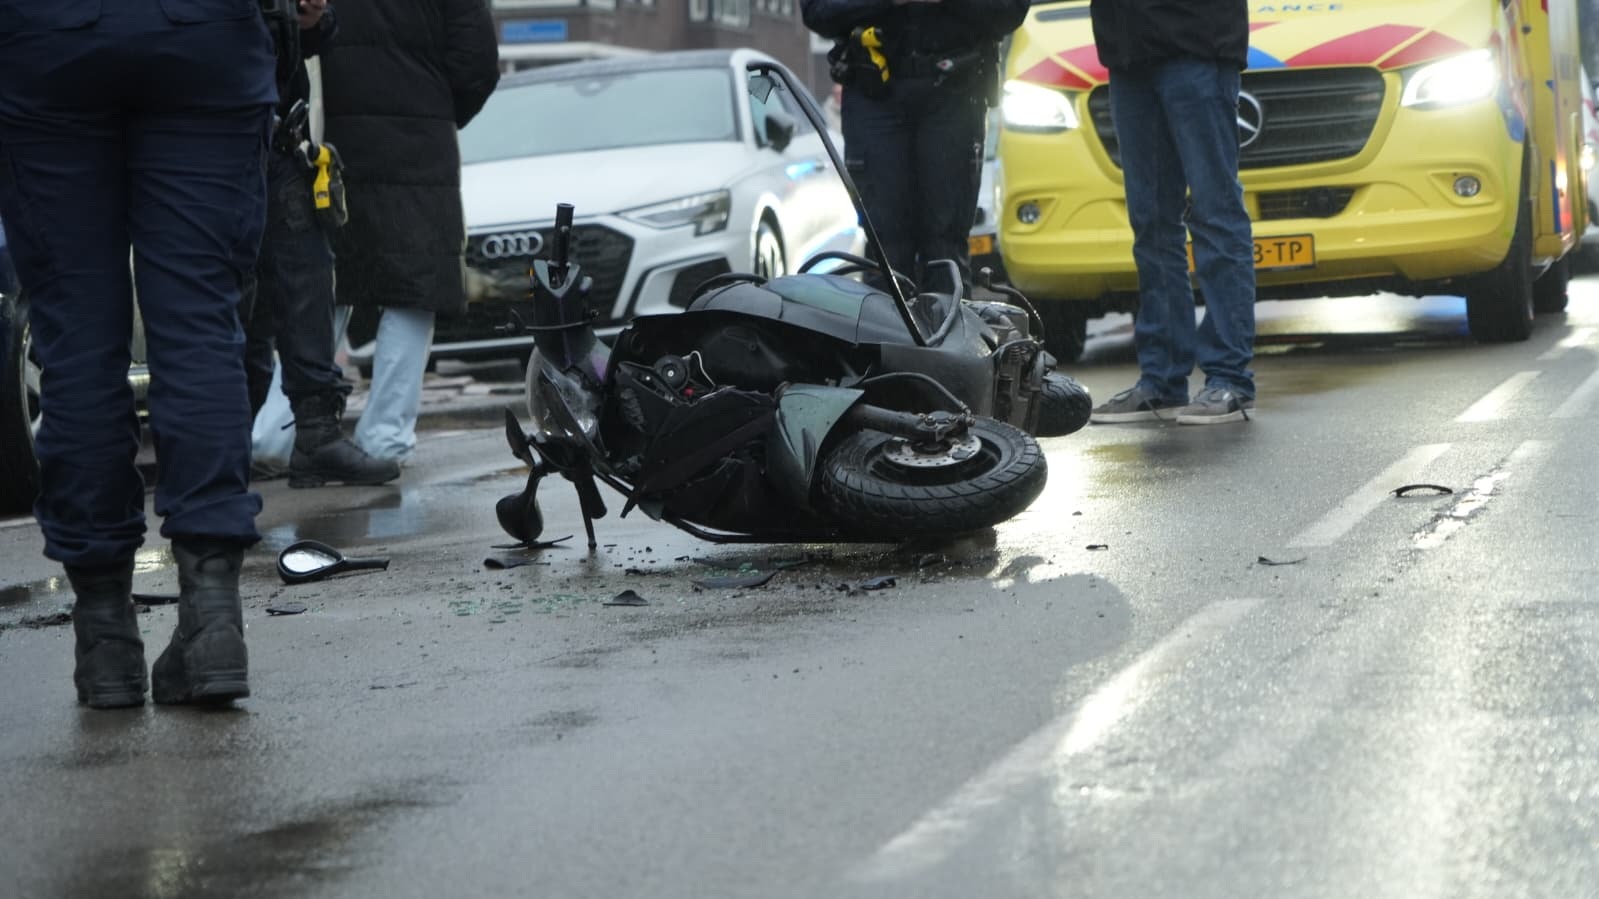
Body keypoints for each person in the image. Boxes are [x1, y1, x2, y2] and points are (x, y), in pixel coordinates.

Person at [0, 0, 277, 708]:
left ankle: (105, 634)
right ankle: (212, 613)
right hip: (201, 36)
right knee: (198, 325)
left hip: (51, 43)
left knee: (75, 339)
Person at [317, 0, 500, 465]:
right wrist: (431, 103)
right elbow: (477, 62)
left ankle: (285, 432)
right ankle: (384, 437)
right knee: (414, 290)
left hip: (328, 137)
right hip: (419, 146)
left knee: (323, 284)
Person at [243, 0, 401, 487]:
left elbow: (306, 38)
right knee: (234, 307)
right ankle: (221, 460)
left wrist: (311, 22)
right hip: (215, 145)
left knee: (306, 283)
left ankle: (317, 435)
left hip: (280, 142)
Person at [1087, 0, 1258, 425]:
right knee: (1152, 225)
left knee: (1215, 213)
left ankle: (1229, 378)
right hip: (1129, 51)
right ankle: (1161, 382)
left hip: (1197, 42)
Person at [801, 0, 1029, 295]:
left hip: (955, 89)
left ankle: (946, 332)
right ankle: (888, 336)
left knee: (944, 248)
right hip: (874, 89)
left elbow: (1010, 9)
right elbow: (818, 10)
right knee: (887, 249)